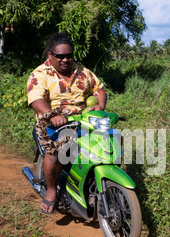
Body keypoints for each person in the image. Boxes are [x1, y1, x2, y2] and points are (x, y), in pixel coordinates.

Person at [27, 32, 107, 214]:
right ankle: (51, 191)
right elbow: (36, 100)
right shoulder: (40, 74)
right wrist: (51, 115)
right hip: (52, 125)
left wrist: (100, 105)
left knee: (106, 145)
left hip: (82, 122)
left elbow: (99, 89)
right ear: (50, 55)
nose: (65, 60)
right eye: (59, 56)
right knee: (55, 152)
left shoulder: (83, 72)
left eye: (68, 55)